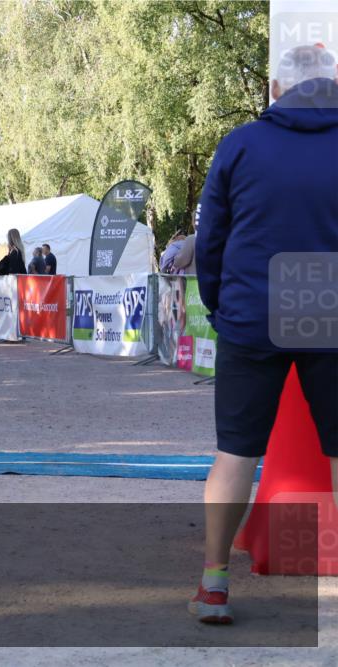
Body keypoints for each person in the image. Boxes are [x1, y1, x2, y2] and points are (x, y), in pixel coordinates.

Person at [190, 44, 338, 625]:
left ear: (278, 88)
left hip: (254, 308)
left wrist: (221, 306)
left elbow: (211, 241)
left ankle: (214, 584)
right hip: (329, 304)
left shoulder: (241, 143)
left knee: (235, 453)